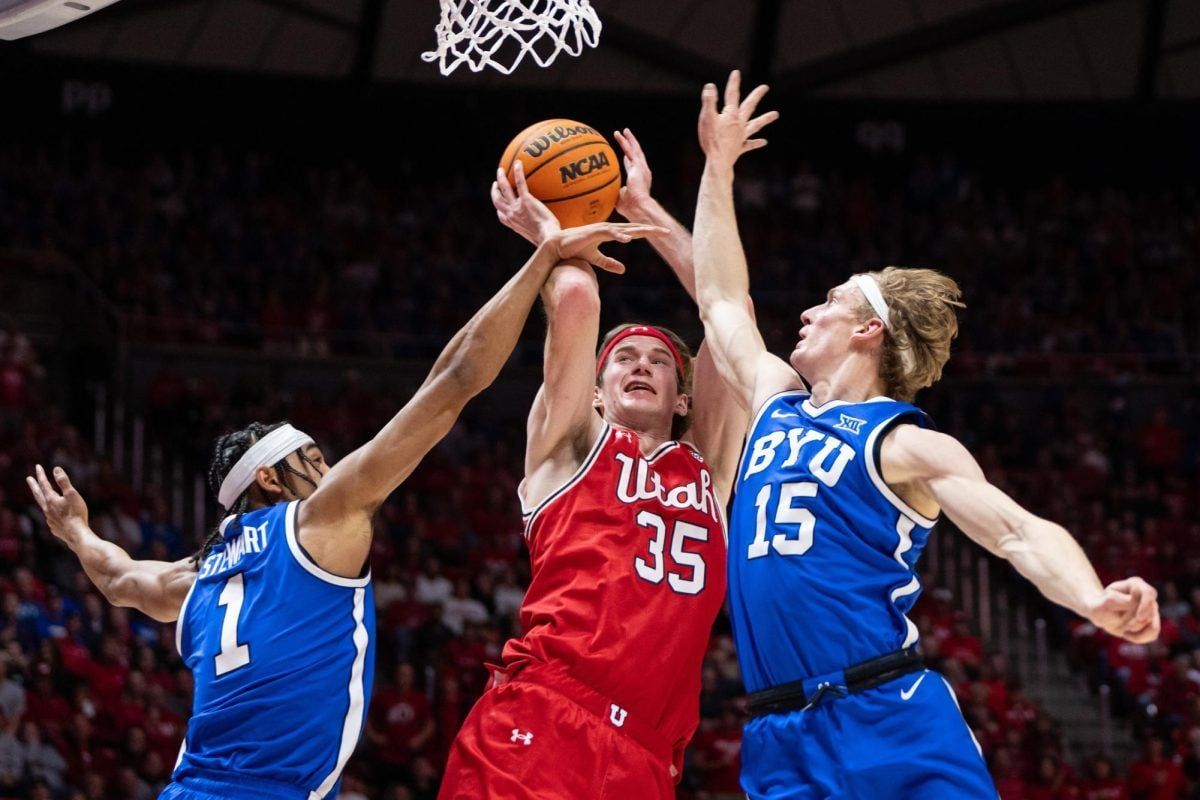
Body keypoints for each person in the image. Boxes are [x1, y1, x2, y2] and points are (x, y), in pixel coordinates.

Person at [25, 221, 661, 800]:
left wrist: (76, 530)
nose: (329, 468)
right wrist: (542, 258)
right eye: (313, 457)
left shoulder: (192, 580)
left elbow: (114, 578)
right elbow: (455, 378)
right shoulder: (317, 522)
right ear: (272, 478)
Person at [690, 71, 1161, 799]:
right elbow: (719, 295)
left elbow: (1016, 533)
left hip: (889, 715)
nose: (808, 314)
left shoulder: (901, 441)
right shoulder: (772, 400)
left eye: (830, 302)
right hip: (779, 733)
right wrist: (717, 168)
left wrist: (1094, 600)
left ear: (869, 329)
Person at [438, 147, 747, 799]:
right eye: (622, 358)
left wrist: (646, 212)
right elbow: (577, 297)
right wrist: (553, 244)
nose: (639, 364)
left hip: (646, 755)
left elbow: (727, 312)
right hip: (541, 720)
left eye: (658, 361)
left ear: (683, 395)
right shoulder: (569, 446)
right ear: (597, 392)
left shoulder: (711, 469)